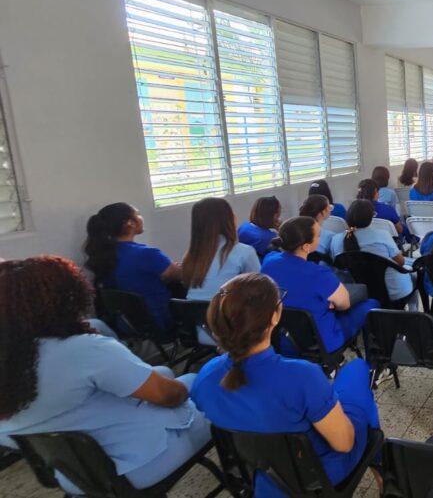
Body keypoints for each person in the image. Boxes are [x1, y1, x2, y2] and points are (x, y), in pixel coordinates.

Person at [0, 256, 210, 494]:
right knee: (196, 382)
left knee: (161, 371)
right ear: (65, 299)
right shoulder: (83, 349)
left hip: (71, 473)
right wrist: (181, 388)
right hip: (137, 467)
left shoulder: (12, 358)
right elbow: (170, 396)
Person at [191, 273, 380, 498]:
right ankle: (381, 466)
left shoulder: (205, 377)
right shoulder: (302, 376)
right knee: (357, 369)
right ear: (274, 317)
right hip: (318, 475)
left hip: (261, 477)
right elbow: (344, 444)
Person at [262, 216, 379, 353]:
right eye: (318, 235)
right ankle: (374, 361)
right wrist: (330, 303)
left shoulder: (268, 261)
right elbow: (344, 304)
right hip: (323, 342)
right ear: (306, 246)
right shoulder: (319, 274)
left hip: (283, 339)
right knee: (371, 304)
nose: (320, 238)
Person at [84, 202, 181, 329]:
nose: (141, 217)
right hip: (160, 319)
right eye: (138, 214)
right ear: (130, 223)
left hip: (127, 323)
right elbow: (182, 275)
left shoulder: (104, 255)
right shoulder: (146, 254)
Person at [337, 200, 417, 309]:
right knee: (414, 273)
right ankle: (414, 313)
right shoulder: (382, 235)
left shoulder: (336, 240)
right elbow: (401, 262)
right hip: (392, 291)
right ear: (371, 218)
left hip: (357, 291)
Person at [183, 198, 260, 303]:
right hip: (226, 316)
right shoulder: (244, 251)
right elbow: (259, 287)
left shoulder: (191, 256)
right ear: (229, 219)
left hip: (193, 316)